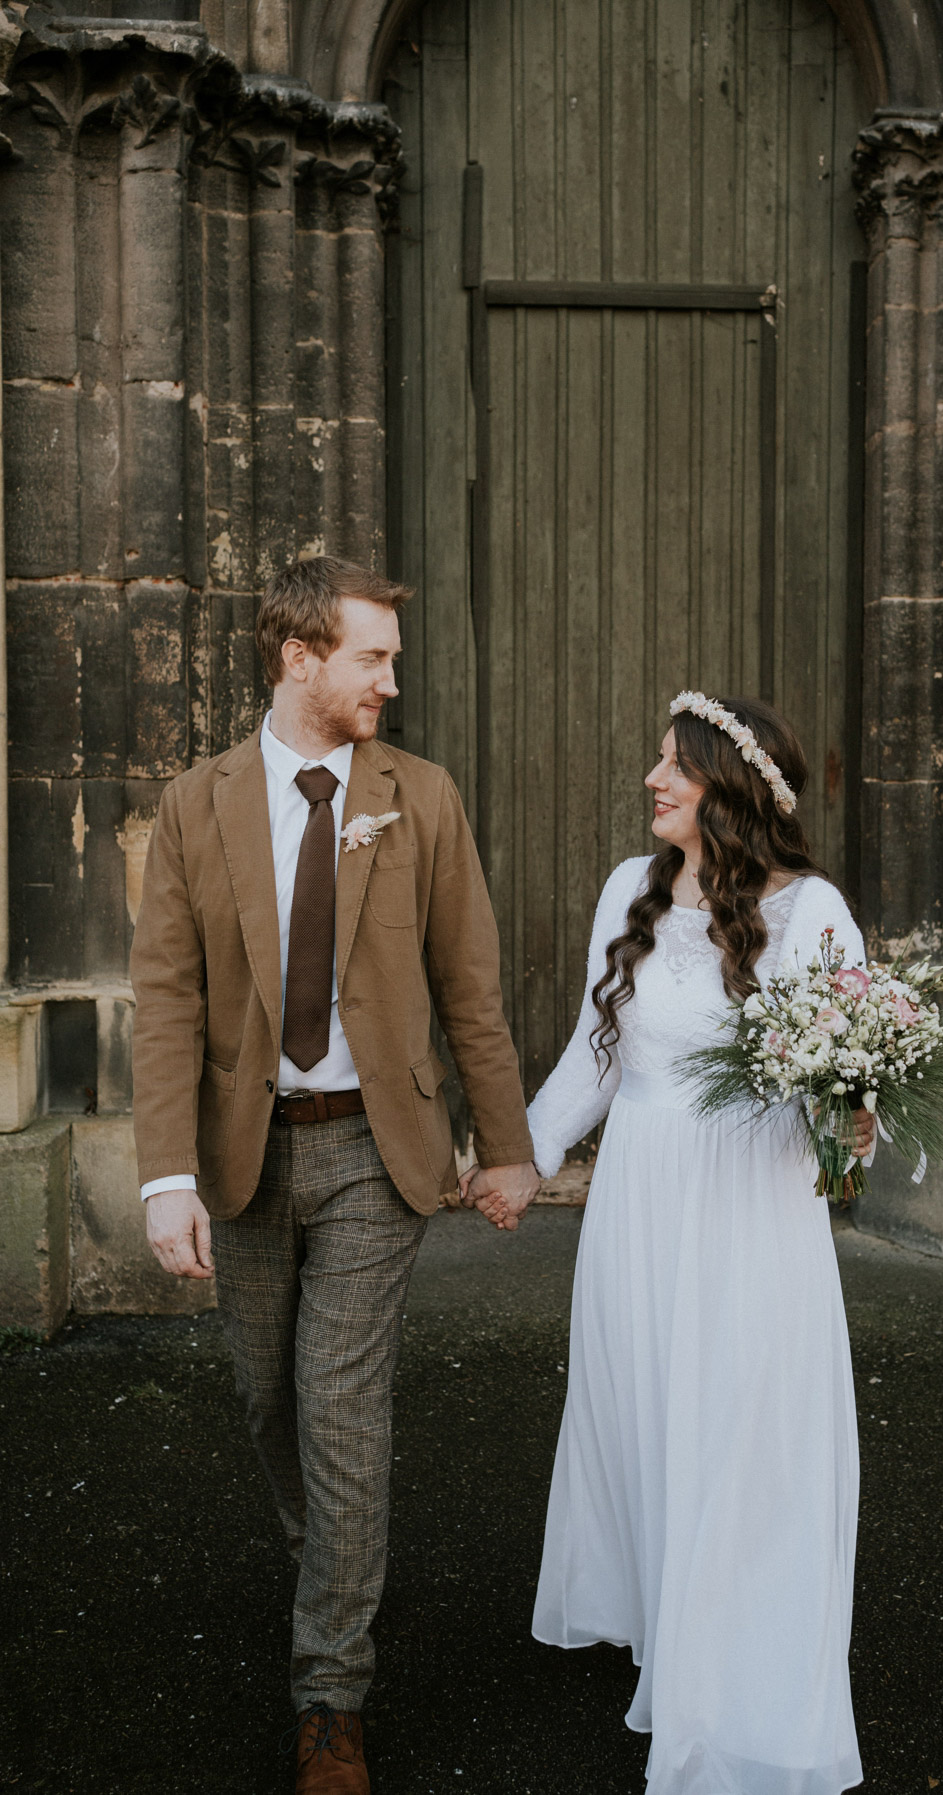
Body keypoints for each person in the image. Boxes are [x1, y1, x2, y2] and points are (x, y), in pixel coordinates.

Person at [130, 556, 539, 1794]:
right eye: (372, 658)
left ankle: (330, 1696)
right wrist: (165, 1177)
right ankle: (340, 1568)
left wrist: (509, 1141)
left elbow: (471, 980)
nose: (391, 683)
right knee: (269, 1404)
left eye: (392, 660)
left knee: (341, 1409)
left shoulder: (421, 796)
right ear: (299, 658)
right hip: (246, 1155)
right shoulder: (195, 805)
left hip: (378, 1147)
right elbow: (165, 1000)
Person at [467, 692, 872, 1795]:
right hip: (640, 1197)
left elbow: (842, 1090)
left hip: (746, 1204)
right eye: (655, 759)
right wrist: (524, 1159)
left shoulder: (813, 911)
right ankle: (667, 1613)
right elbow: (596, 1056)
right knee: (647, 1404)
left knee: (738, 1421)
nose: (650, 777)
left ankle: (734, 1665)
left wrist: (857, 1119)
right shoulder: (631, 890)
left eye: (673, 766)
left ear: (730, 790)